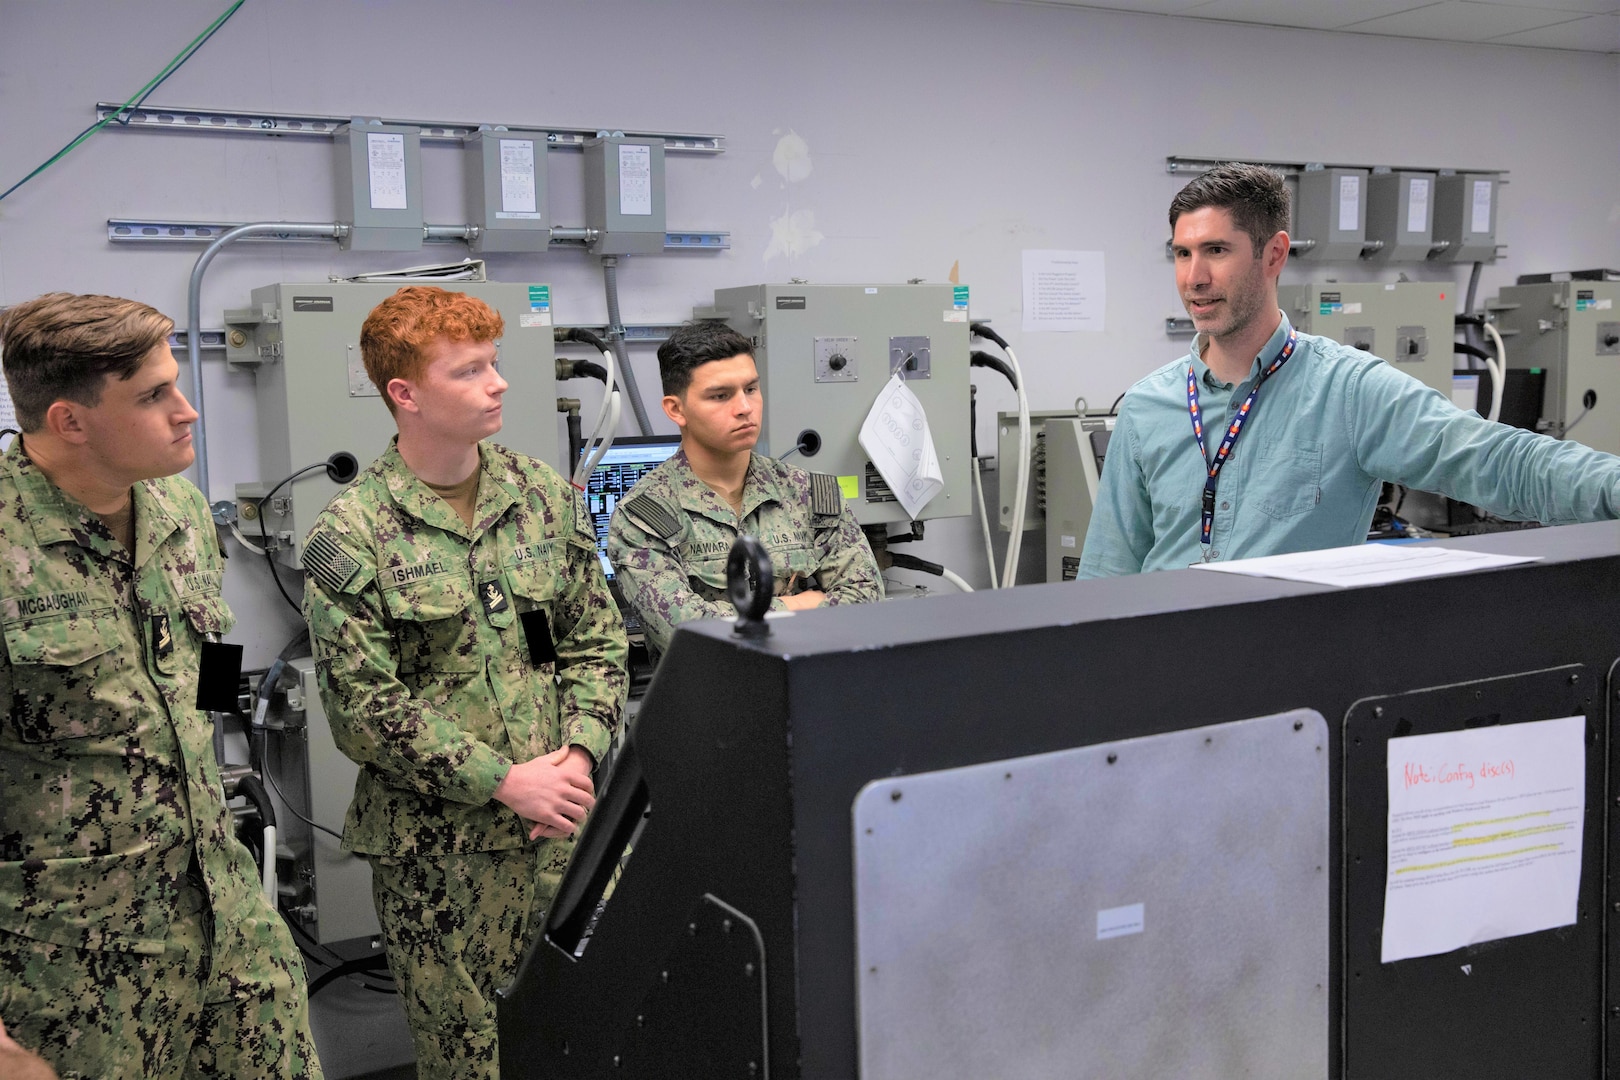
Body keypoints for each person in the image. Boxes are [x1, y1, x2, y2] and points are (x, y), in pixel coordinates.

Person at [301, 286, 627, 1080]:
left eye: (495, 363)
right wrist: (505, 781)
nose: (499, 383)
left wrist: (578, 755)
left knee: (601, 1037)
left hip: (567, 826)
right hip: (442, 860)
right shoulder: (354, 534)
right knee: (471, 1062)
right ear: (405, 395)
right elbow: (365, 709)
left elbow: (596, 638)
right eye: (470, 370)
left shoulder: (542, 496)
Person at [0, 293, 322, 1078]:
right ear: (71, 421)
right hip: (71, 976)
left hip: (233, 936)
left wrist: (215, 733)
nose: (188, 413)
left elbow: (207, 653)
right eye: (153, 396)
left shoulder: (176, 510)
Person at [1079, 162, 1620, 577]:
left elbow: (1498, 460)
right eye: (1181, 253)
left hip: (1289, 680)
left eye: (1216, 250)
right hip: (1165, 674)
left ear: (1273, 255)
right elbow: (1108, 570)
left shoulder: (1348, 392)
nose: (1193, 277)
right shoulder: (1149, 405)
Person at [607, 320, 883, 656]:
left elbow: (867, 603)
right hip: (709, 703)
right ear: (676, 409)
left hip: (812, 694)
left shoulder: (809, 494)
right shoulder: (645, 517)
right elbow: (688, 634)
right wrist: (801, 604)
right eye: (720, 396)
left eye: (750, 389)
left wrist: (746, 615)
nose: (745, 408)